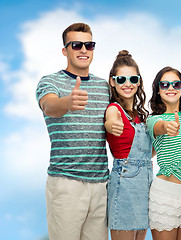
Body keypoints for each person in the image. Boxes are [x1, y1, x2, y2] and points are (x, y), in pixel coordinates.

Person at [35, 23, 109, 240]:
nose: (84, 50)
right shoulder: (50, 82)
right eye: (76, 45)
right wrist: (67, 102)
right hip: (66, 183)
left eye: (89, 45)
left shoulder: (104, 87)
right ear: (65, 50)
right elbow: (49, 106)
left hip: (102, 185)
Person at [147, 66, 181, 240]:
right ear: (158, 90)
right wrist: (167, 127)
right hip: (165, 194)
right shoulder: (153, 120)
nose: (171, 88)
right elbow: (160, 127)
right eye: (164, 84)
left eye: (176, 84)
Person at [105, 50, 153, 240]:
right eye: (121, 79)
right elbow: (111, 121)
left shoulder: (141, 116)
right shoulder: (114, 109)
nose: (127, 84)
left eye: (133, 79)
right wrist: (111, 125)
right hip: (125, 183)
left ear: (139, 81)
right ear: (112, 81)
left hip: (145, 183)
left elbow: (148, 153)